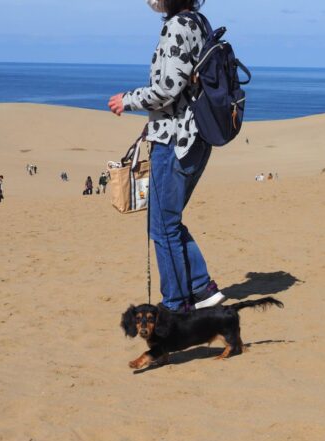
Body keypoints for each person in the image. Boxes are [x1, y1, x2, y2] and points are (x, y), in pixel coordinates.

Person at [107, 0, 226, 312]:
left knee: (162, 227)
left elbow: (166, 88)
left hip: (176, 142)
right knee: (166, 223)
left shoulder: (177, 26)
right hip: (196, 137)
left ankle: (176, 304)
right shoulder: (199, 22)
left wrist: (126, 100)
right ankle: (201, 287)